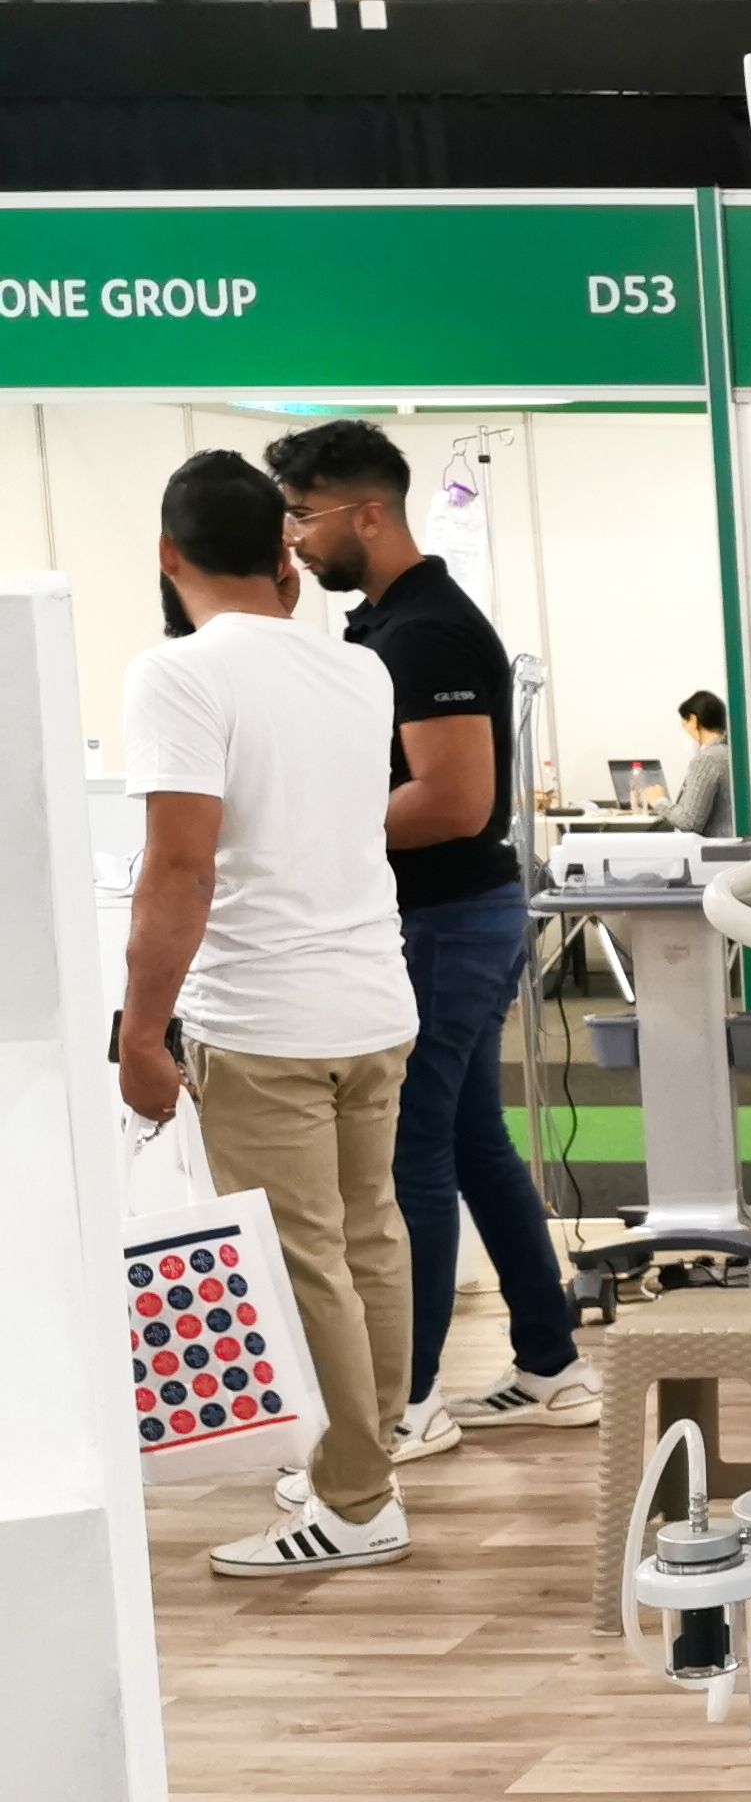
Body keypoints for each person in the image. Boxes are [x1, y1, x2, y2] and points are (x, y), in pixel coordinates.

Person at [118, 450, 425, 1576]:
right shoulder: (358, 668)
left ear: (169, 552)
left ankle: (355, 1499)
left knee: (306, 1261)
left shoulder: (178, 674)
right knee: (367, 1239)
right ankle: (366, 1461)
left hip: (263, 1015)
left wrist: (140, 1032)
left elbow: (180, 868)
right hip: (371, 997)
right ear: (284, 548)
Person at [273, 419, 598, 1454]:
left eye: (304, 515)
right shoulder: (380, 625)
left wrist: (317, 830)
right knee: (469, 1143)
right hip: (443, 920)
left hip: (449, 922)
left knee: (409, 1153)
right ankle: (551, 1363)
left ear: (368, 512)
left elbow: (456, 802)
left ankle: (409, 1402)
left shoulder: (428, 633)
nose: (294, 539)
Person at [643, 687, 733, 834]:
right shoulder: (728, 753)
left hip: (709, 847)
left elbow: (690, 822)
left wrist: (659, 801)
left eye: (684, 724)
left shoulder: (706, 760)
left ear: (693, 720)